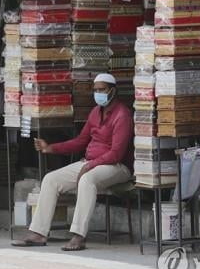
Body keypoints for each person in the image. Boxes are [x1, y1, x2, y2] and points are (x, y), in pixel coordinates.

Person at [12, 73, 134, 251]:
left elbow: (116, 153)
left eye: (102, 90)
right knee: (51, 179)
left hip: (117, 167)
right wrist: (51, 148)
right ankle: (38, 233)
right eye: (95, 90)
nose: (98, 93)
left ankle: (78, 236)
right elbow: (80, 141)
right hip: (91, 162)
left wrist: (89, 165)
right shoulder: (95, 112)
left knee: (87, 180)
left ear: (112, 91)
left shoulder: (122, 115)